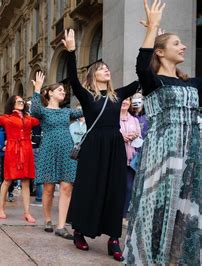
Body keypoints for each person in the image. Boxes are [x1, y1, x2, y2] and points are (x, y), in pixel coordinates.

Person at [124, 1, 201, 264]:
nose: (184, 46)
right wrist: (153, 27)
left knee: (185, 212)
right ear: (161, 51)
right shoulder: (152, 82)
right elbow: (141, 65)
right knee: (155, 208)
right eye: (177, 43)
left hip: (191, 157)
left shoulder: (192, 83)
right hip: (161, 157)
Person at [62, 29, 139, 261]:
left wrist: (154, 52)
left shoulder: (118, 95)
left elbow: (142, 79)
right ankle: (79, 231)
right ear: (94, 74)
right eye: (102, 67)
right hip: (93, 147)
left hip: (115, 145)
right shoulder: (86, 96)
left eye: (107, 67)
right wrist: (71, 52)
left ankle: (114, 239)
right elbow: (73, 80)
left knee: (115, 189)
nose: (107, 69)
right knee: (88, 187)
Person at [30, 72, 83, 239]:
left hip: (66, 150)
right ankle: (47, 220)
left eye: (64, 90)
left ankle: (61, 226)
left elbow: (85, 111)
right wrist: (37, 89)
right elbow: (35, 110)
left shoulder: (67, 111)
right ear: (50, 93)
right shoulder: (44, 111)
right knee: (48, 189)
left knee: (67, 187)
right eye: (60, 89)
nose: (63, 92)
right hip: (48, 150)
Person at [0, 90, 40, 223]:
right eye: (18, 101)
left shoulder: (28, 118)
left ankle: (27, 212)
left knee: (26, 181)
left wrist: (37, 93)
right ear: (12, 104)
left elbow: (38, 120)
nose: (21, 102)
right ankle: (1, 208)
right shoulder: (7, 118)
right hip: (13, 151)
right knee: (8, 180)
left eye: (22, 101)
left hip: (26, 151)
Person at [119, 97, 141, 220]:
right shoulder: (112, 118)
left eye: (128, 100)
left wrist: (135, 136)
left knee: (129, 187)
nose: (125, 101)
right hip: (116, 158)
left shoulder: (134, 120)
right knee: (116, 187)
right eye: (123, 99)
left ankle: (123, 216)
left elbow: (139, 138)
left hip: (131, 160)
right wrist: (120, 136)